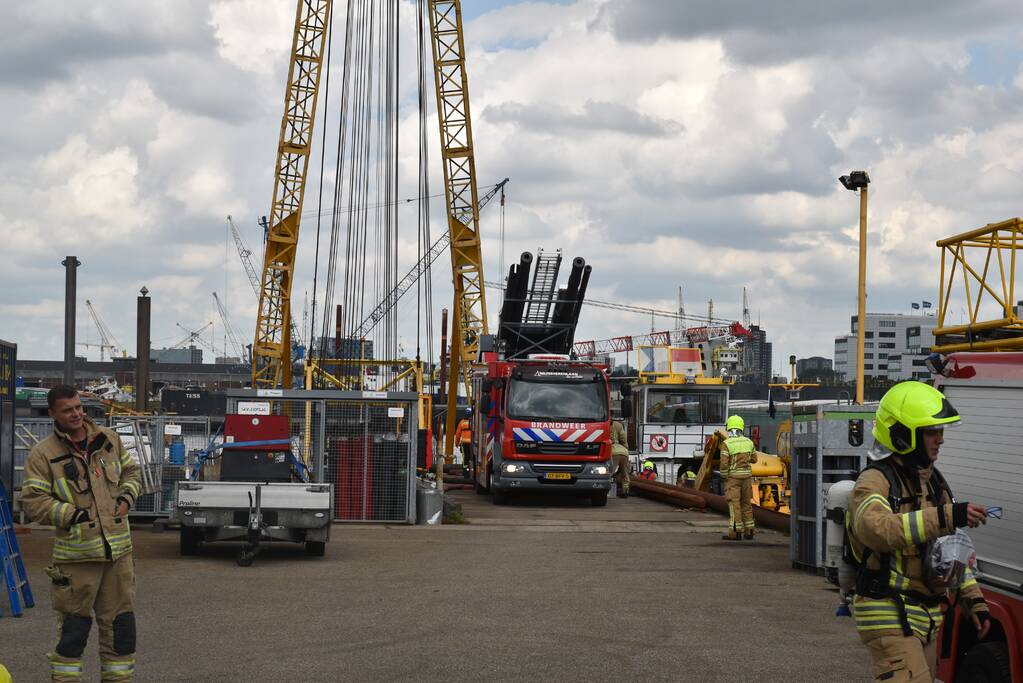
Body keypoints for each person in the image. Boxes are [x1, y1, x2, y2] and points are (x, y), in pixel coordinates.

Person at [847, 381, 989, 682]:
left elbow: (948, 552)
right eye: (931, 431)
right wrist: (947, 515)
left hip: (926, 616)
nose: (940, 439)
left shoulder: (934, 483)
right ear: (902, 435)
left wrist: (973, 600)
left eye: (941, 431)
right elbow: (876, 529)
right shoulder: (874, 481)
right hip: (888, 610)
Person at [22, 386, 142, 682]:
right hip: (77, 561)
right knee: (73, 636)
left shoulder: (109, 440)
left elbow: (132, 473)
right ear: (53, 414)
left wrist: (126, 498)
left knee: (121, 632)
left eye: (78, 407)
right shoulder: (43, 455)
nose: (76, 414)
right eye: (67, 410)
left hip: (118, 556)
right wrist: (73, 515)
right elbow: (33, 501)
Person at [720, 415, 758, 540]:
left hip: (733, 478)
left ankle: (736, 533)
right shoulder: (749, 442)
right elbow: (754, 459)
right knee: (746, 503)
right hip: (747, 477)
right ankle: (749, 531)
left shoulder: (726, 444)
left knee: (734, 504)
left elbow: (724, 464)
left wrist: (724, 476)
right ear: (741, 427)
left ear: (729, 428)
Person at [610, 419, 630, 498]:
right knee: (625, 473)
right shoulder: (619, 425)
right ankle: (625, 491)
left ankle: (608, 491)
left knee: (610, 472)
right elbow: (624, 440)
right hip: (624, 452)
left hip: (613, 451)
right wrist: (626, 449)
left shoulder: (601, 424)